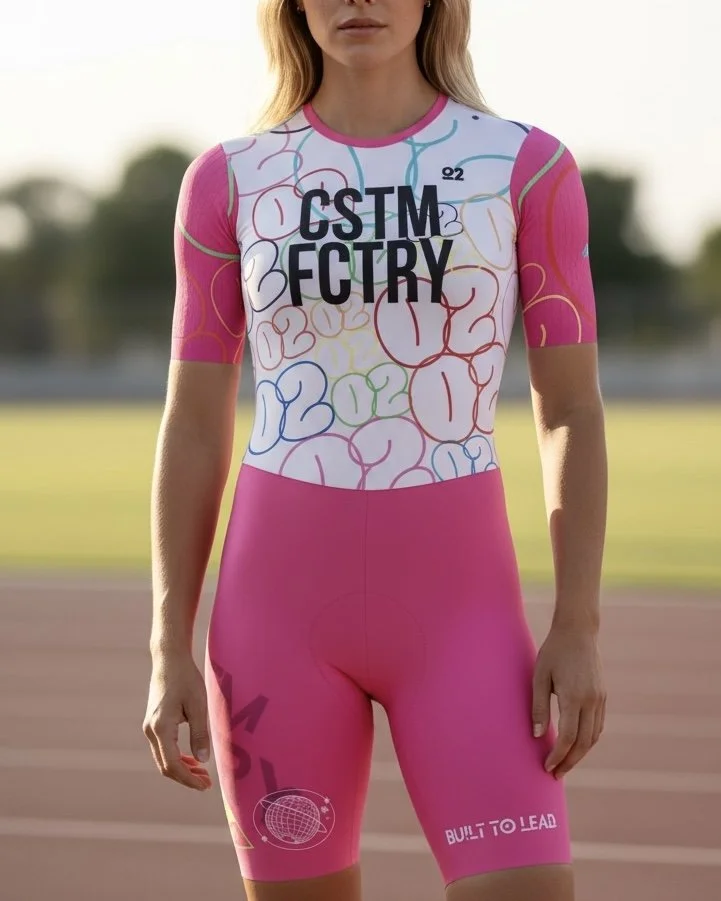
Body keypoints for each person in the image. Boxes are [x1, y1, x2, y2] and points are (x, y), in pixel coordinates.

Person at [143, 0, 608, 899]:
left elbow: (570, 411)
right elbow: (195, 425)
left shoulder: (523, 166)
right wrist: (168, 647)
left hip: (463, 621)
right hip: (273, 622)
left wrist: (578, 623)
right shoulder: (230, 180)